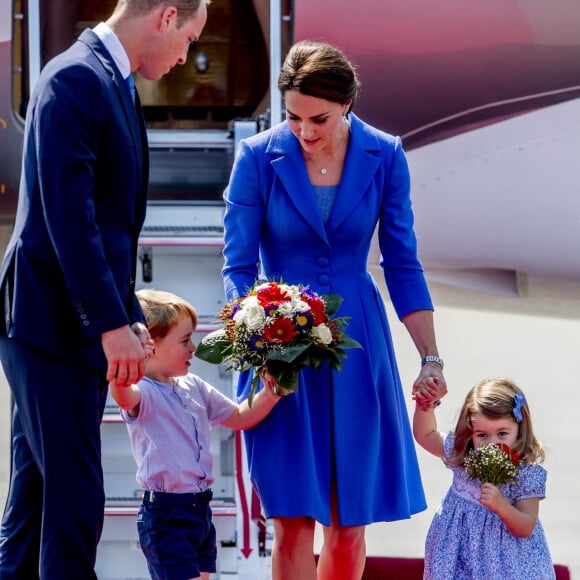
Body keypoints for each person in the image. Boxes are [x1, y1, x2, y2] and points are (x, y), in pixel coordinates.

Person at [221, 39, 447, 580]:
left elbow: (403, 264)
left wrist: (430, 358)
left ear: (348, 103)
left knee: (348, 527)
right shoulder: (256, 158)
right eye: (293, 117)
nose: (305, 131)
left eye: (318, 118)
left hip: (358, 351)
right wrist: (256, 336)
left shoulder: (385, 155)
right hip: (280, 351)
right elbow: (236, 268)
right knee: (293, 522)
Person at [0, 2, 208, 578]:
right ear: (167, 16)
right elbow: (71, 218)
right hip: (50, 326)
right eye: (189, 39)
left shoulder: (108, 80)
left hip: (67, 329)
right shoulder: (76, 78)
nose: (186, 57)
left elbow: (108, 223)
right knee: (75, 504)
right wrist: (110, 323)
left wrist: (126, 317)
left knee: (36, 502)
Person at [109, 288, 284, 580]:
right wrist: (123, 364)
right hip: (166, 516)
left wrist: (272, 392)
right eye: (184, 340)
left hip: (200, 510)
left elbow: (241, 416)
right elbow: (124, 395)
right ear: (150, 346)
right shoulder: (146, 393)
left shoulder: (195, 386)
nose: (194, 347)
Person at [413, 378, 555, 579]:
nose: (492, 443)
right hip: (457, 553)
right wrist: (425, 408)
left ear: (519, 429)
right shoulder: (464, 455)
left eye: (502, 433)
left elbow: (526, 526)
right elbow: (426, 435)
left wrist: (502, 506)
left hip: (504, 563)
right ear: (470, 432)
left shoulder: (525, 473)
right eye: (482, 435)